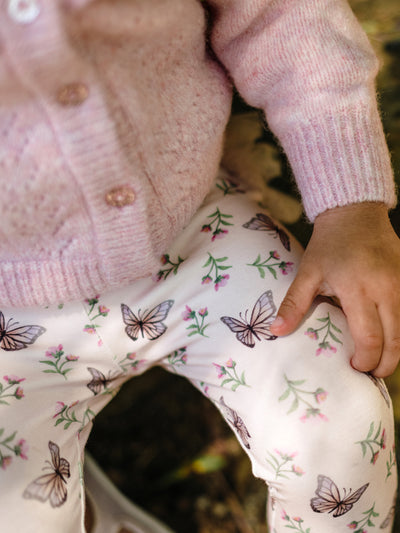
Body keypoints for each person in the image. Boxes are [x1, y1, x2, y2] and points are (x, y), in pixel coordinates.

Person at [0, 0, 398, 532]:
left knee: (342, 425)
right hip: (13, 305)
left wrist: (351, 206)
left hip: (192, 224)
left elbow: (280, 16)